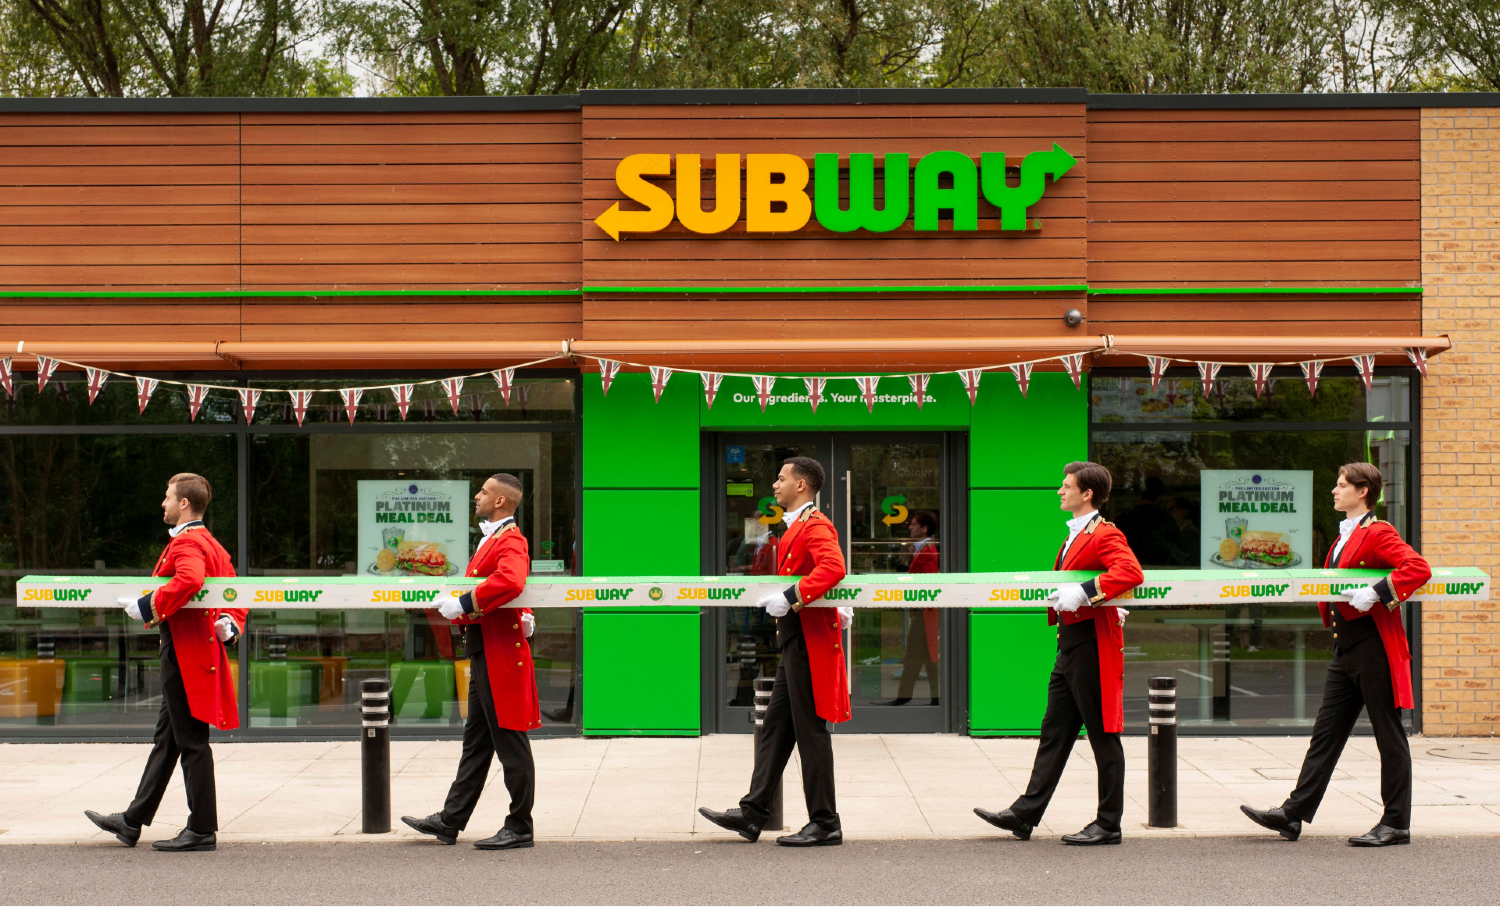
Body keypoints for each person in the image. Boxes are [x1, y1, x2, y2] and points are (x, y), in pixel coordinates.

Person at [1241, 462, 1430, 847]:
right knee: (1325, 735)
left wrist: (1378, 591)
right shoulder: (1343, 536)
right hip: (1346, 646)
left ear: (1363, 492)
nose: (1334, 490)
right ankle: (1293, 814)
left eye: (1341, 484)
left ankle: (1396, 823)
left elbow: (1417, 568)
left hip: (1375, 646)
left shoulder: (1378, 531)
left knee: (1389, 736)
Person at [975, 461, 1143, 845]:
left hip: (1091, 644)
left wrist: (1085, 590)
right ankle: (1025, 814)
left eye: (1066, 486)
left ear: (1087, 494)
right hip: (1070, 645)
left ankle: (1108, 824)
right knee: (1054, 733)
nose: (1059, 491)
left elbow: (1131, 572)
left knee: (1103, 735)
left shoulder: (1103, 533)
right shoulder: (1076, 533)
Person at [86, 474, 246, 852]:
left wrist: (146, 606)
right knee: (168, 740)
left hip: (183, 653)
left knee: (191, 741)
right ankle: (132, 821)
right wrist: (229, 622)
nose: (163, 503)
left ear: (184, 504)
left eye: (167, 497)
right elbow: (235, 589)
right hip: (191, 651)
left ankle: (203, 828)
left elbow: (190, 579)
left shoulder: (187, 542)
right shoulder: (210, 542)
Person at [699, 457, 854, 846]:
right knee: (777, 729)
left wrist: (793, 596)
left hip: (807, 640)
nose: (774, 484)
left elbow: (833, 567)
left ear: (801, 485)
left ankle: (825, 821)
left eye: (781, 478)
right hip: (796, 639)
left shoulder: (815, 524)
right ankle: (753, 812)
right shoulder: (798, 527)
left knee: (810, 731)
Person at [403, 473, 540, 850]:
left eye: (482, 491)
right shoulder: (494, 538)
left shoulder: (510, 539)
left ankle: (520, 826)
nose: (476, 496)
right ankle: (451, 820)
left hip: (496, 649)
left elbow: (511, 581)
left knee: (510, 740)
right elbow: (510, 589)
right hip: (484, 646)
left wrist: (464, 603)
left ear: (500, 501)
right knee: (477, 743)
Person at [884, 510, 940, 706]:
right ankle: (934, 697)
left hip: (926, 613)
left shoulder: (928, 550)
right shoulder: (919, 549)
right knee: (926, 657)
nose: (909, 527)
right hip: (924, 613)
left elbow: (927, 582)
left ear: (924, 528)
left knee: (915, 655)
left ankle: (905, 696)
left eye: (913, 524)